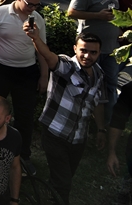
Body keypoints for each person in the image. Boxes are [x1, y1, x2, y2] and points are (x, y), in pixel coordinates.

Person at [24, 25, 106, 205]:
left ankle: (50, 198)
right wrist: (36, 38)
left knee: (63, 178)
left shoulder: (99, 74)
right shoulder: (67, 66)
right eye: (83, 50)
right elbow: (49, 56)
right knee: (63, 183)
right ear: (75, 49)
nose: (87, 56)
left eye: (93, 52)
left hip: (78, 139)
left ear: (99, 53)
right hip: (55, 134)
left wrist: (101, 129)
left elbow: (98, 103)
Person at [0, 0, 46, 170]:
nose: (33, 9)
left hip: (26, 72)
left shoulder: (37, 20)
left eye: (37, 5)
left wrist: (44, 76)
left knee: (25, 115)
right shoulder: (1, 13)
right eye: (30, 4)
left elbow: (42, 50)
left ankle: (22, 156)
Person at [66, 0, 122, 123]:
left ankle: (107, 123)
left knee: (110, 86)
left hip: (111, 49)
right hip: (91, 51)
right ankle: (82, 119)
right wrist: (98, 16)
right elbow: (71, 12)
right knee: (86, 84)